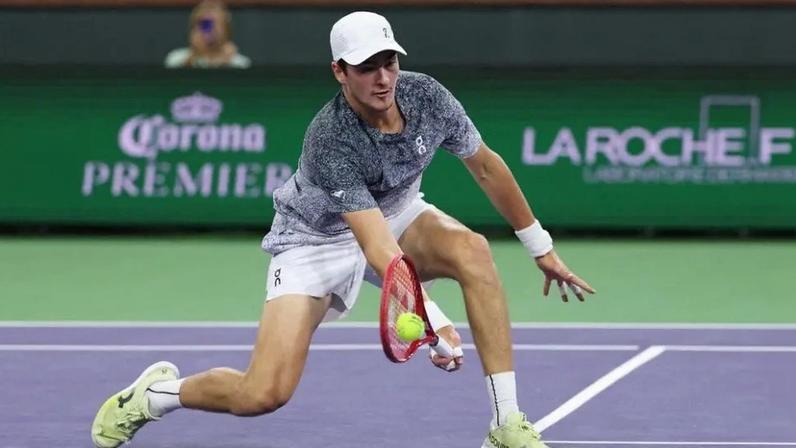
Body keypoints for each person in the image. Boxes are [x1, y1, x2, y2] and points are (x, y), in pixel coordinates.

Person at [92, 11, 594, 448]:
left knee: (473, 250)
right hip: (314, 241)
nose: (383, 78)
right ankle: (156, 396)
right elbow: (376, 248)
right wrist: (429, 320)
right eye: (366, 68)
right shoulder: (330, 137)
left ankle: (506, 423)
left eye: (389, 63)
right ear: (339, 72)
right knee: (262, 394)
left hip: (395, 213)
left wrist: (540, 247)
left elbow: (485, 166)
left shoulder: (427, 96)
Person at [164, 0, 251, 69]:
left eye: (215, 24)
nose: (209, 31)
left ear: (226, 29)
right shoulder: (176, 58)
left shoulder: (240, 63)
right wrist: (193, 56)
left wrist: (226, 62)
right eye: (204, 25)